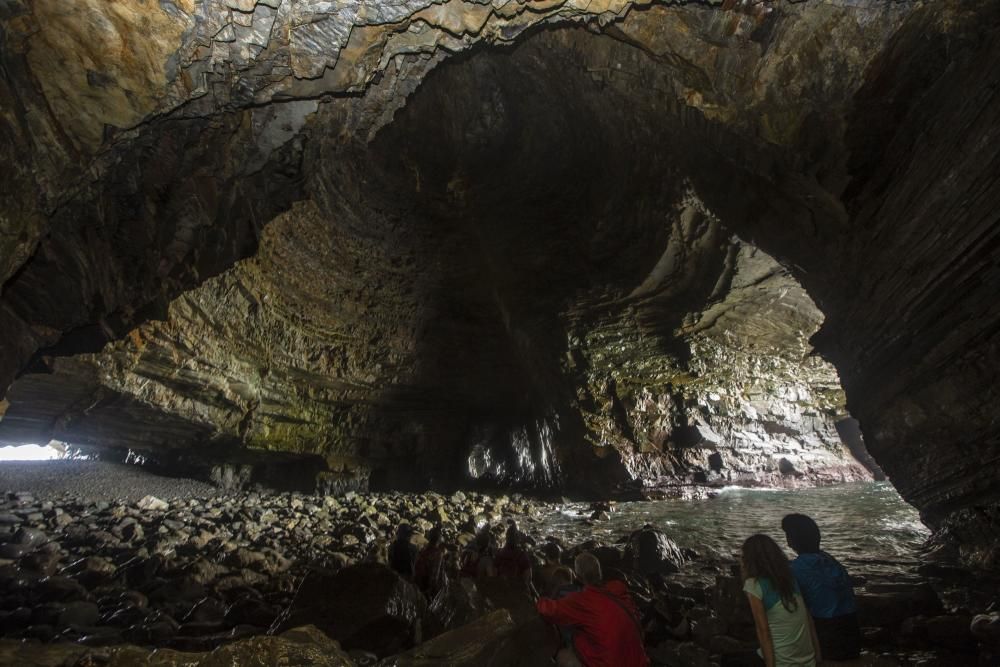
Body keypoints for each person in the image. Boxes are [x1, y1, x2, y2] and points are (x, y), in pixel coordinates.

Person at [537, 552, 649, 667]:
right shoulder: (619, 592)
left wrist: (537, 599)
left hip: (610, 663)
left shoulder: (584, 600)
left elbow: (549, 610)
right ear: (599, 573)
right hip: (639, 662)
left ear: (578, 577)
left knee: (563, 656)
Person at [781, 514, 861, 661]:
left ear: (793, 540)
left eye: (788, 536)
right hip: (852, 628)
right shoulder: (829, 559)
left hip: (827, 632)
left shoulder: (798, 568)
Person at [741, 534, 819, 667]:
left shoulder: (753, 585)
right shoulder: (789, 579)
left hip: (783, 662)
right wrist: (818, 656)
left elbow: (763, 631)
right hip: (807, 659)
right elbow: (808, 619)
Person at [495, 523, 533, 589]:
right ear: (517, 538)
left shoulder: (499, 553)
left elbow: (494, 573)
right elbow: (528, 578)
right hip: (517, 590)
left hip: (502, 588)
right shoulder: (522, 555)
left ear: (506, 538)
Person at [414, 526, 446, 595]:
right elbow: (435, 575)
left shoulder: (422, 550)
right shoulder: (438, 553)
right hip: (428, 589)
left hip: (418, 585)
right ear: (439, 539)